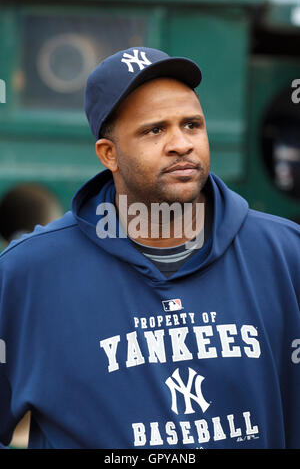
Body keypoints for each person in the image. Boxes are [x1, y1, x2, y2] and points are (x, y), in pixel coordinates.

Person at [0, 46, 299, 450]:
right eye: (154, 130)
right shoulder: (29, 274)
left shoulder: (284, 254)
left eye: (192, 125)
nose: (181, 144)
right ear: (109, 154)